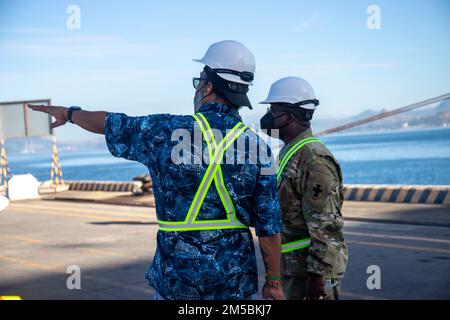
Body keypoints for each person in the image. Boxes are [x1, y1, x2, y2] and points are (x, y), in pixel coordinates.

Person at [28, 40, 284, 300]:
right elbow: (269, 226)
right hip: (234, 283)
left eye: (198, 82)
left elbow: (110, 123)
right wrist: (273, 282)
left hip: (177, 281)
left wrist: (69, 113)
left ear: (207, 87)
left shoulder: (166, 131)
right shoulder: (259, 148)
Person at [259, 77, 348, 300]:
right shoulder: (291, 151)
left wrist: (318, 277)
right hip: (292, 270)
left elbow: (326, 225)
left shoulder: (314, 158)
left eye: (273, 110)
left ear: (289, 116)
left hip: (307, 276)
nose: (268, 116)